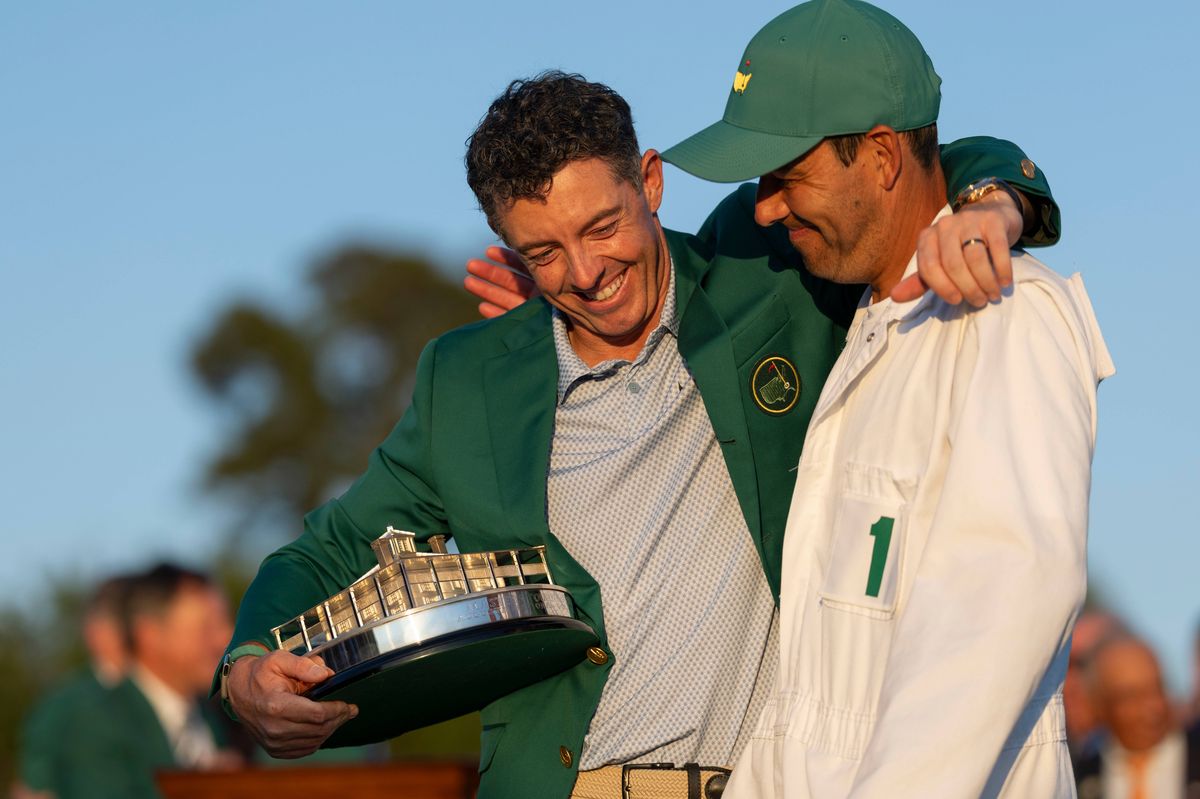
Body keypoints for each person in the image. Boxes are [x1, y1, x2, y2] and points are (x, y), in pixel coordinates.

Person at [220, 72, 1059, 799]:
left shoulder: (760, 267)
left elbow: (913, 161)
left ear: (651, 181)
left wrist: (990, 204)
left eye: (601, 228)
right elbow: (327, 549)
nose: (585, 273)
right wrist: (245, 667)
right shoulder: (469, 379)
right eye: (543, 252)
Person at [656, 1, 1114, 796]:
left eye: (784, 176)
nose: (762, 208)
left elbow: (999, 602)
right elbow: (807, 701)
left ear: (878, 156)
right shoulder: (867, 322)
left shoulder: (1008, 311)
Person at [52, 563, 241, 799]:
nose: (226, 637)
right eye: (206, 627)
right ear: (150, 634)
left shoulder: (214, 713)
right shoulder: (96, 723)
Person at [17, 574, 135, 799]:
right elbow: (35, 790)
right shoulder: (63, 706)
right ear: (95, 631)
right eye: (127, 623)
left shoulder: (182, 699)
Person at [1074, 637, 1200, 799]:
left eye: (1158, 688)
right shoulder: (1080, 775)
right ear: (1099, 705)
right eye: (1133, 697)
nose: (1154, 708)